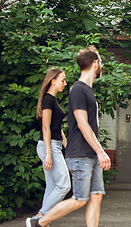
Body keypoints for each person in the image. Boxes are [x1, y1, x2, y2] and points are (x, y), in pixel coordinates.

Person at [27, 46, 112, 227]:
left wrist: (98, 152)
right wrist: (101, 151)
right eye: (101, 62)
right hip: (81, 155)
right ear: (95, 63)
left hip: (91, 154)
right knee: (79, 199)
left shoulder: (87, 90)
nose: (102, 65)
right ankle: (39, 222)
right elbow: (82, 124)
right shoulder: (79, 89)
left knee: (96, 196)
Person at [27, 68, 71, 227]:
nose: (65, 84)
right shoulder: (48, 100)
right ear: (53, 81)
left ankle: (43, 222)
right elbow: (45, 128)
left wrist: (65, 141)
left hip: (54, 145)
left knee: (52, 187)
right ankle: (40, 217)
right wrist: (49, 154)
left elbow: (54, 126)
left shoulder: (52, 100)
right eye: (63, 80)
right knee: (64, 184)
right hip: (48, 146)